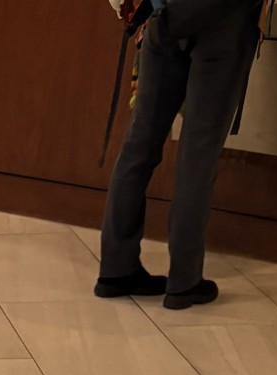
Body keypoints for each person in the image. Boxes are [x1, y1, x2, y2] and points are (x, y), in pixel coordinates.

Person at [95, 0, 263, 310]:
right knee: (198, 153)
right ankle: (185, 281)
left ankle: (116, 270)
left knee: (138, 145)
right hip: (225, 21)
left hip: (165, 16)